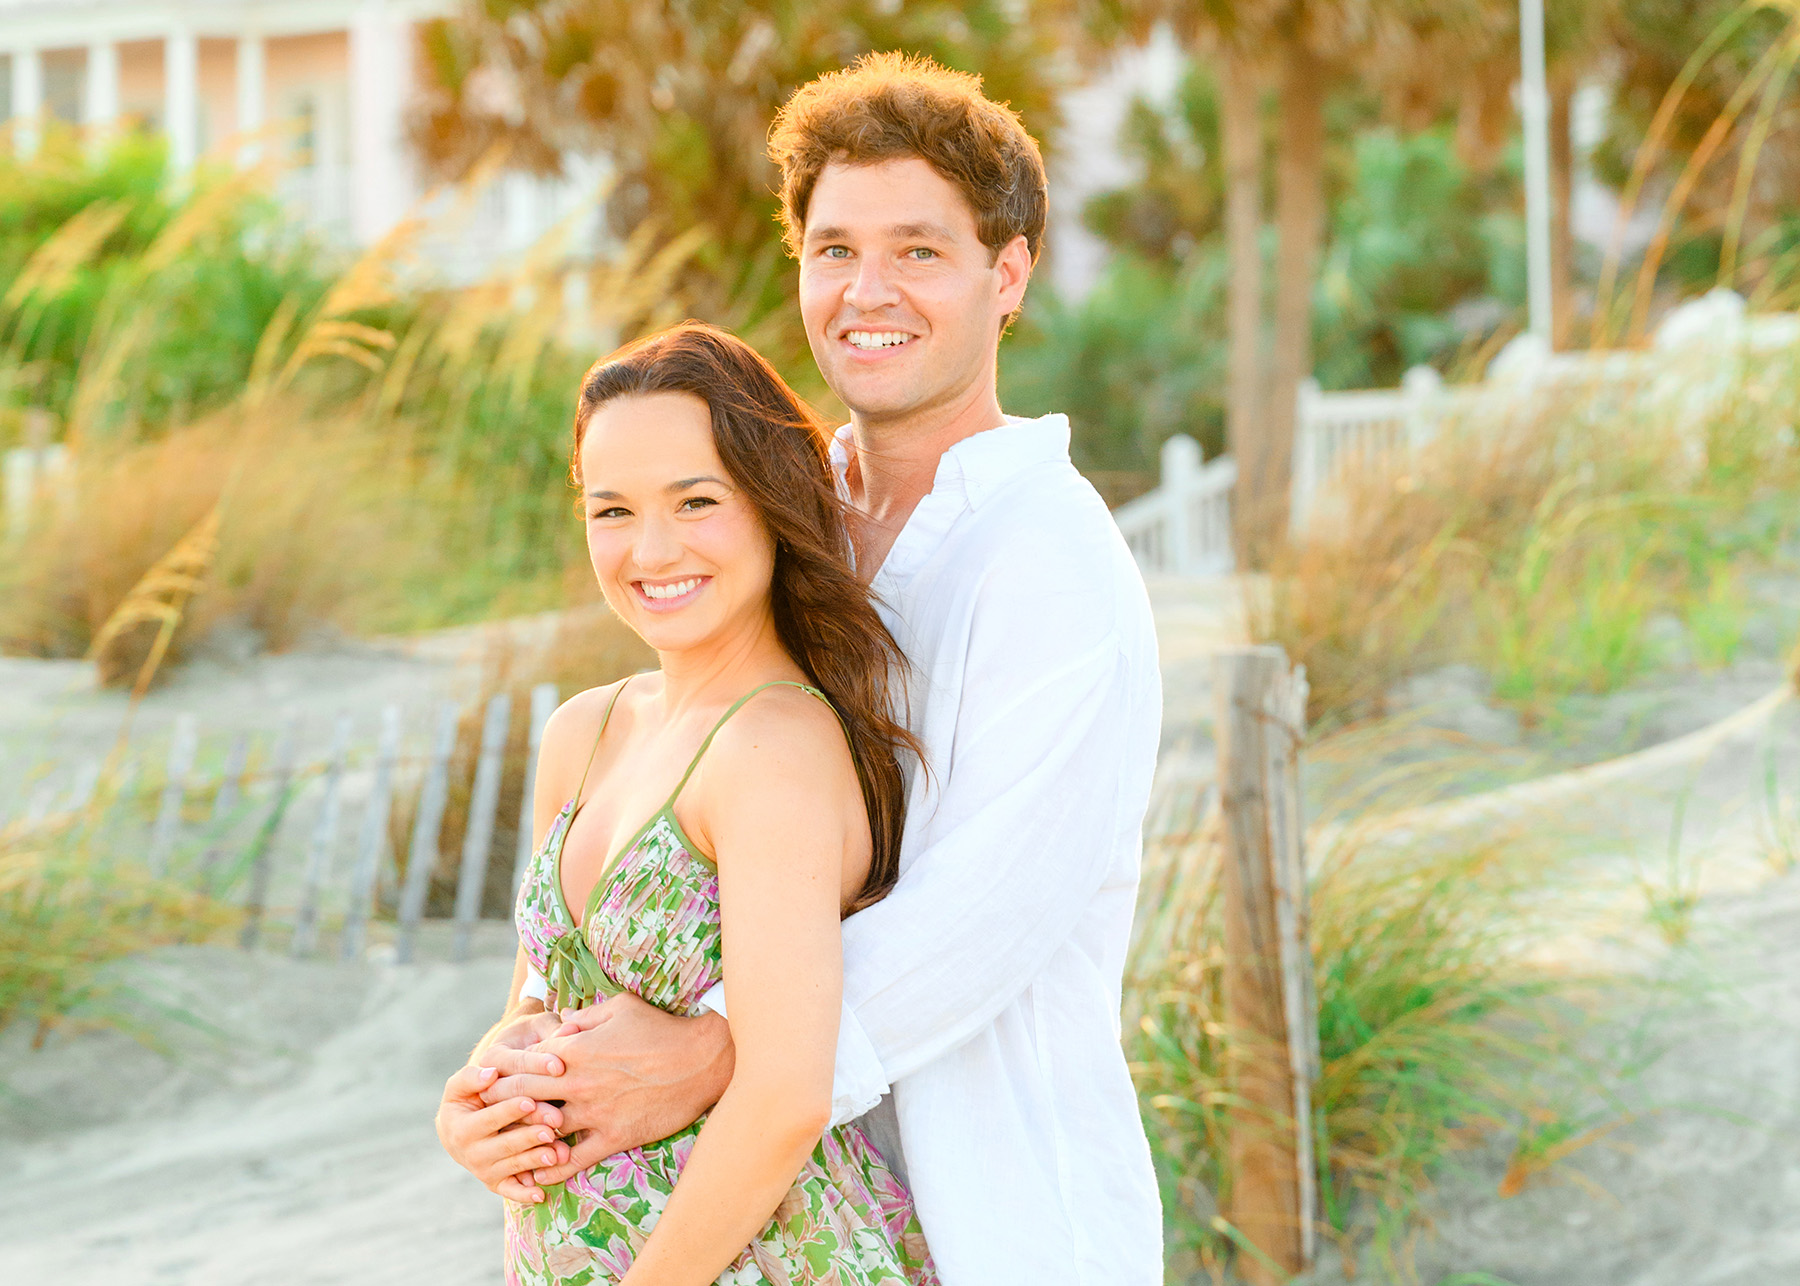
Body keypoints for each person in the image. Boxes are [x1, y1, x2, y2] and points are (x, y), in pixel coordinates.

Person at [448, 52, 1165, 1284]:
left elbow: (983, 918)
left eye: (918, 250)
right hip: (764, 1216)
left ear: (1010, 272)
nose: (865, 289)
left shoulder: (1049, 560)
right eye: (834, 248)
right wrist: (499, 1086)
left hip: (995, 1217)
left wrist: (716, 1049)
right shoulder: (782, 520)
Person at [436, 322, 938, 1284]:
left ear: (769, 507)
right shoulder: (584, 732)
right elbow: (540, 1002)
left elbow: (788, 1093)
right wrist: (474, 1105)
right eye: (611, 510)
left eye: (695, 502)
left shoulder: (774, 746)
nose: (649, 550)